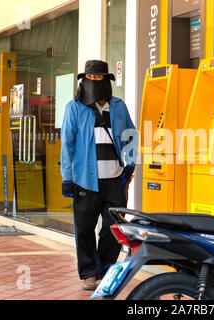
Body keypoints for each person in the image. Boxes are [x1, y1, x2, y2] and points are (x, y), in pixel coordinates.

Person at [60, 60, 137, 290]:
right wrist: (67, 177)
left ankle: (104, 269)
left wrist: (129, 167)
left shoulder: (118, 106)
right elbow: (67, 144)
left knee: (113, 229)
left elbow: (131, 135)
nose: (94, 82)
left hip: (115, 179)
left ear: (107, 80)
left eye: (98, 78)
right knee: (84, 229)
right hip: (85, 180)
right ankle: (88, 273)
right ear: (84, 80)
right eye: (90, 78)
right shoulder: (74, 108)